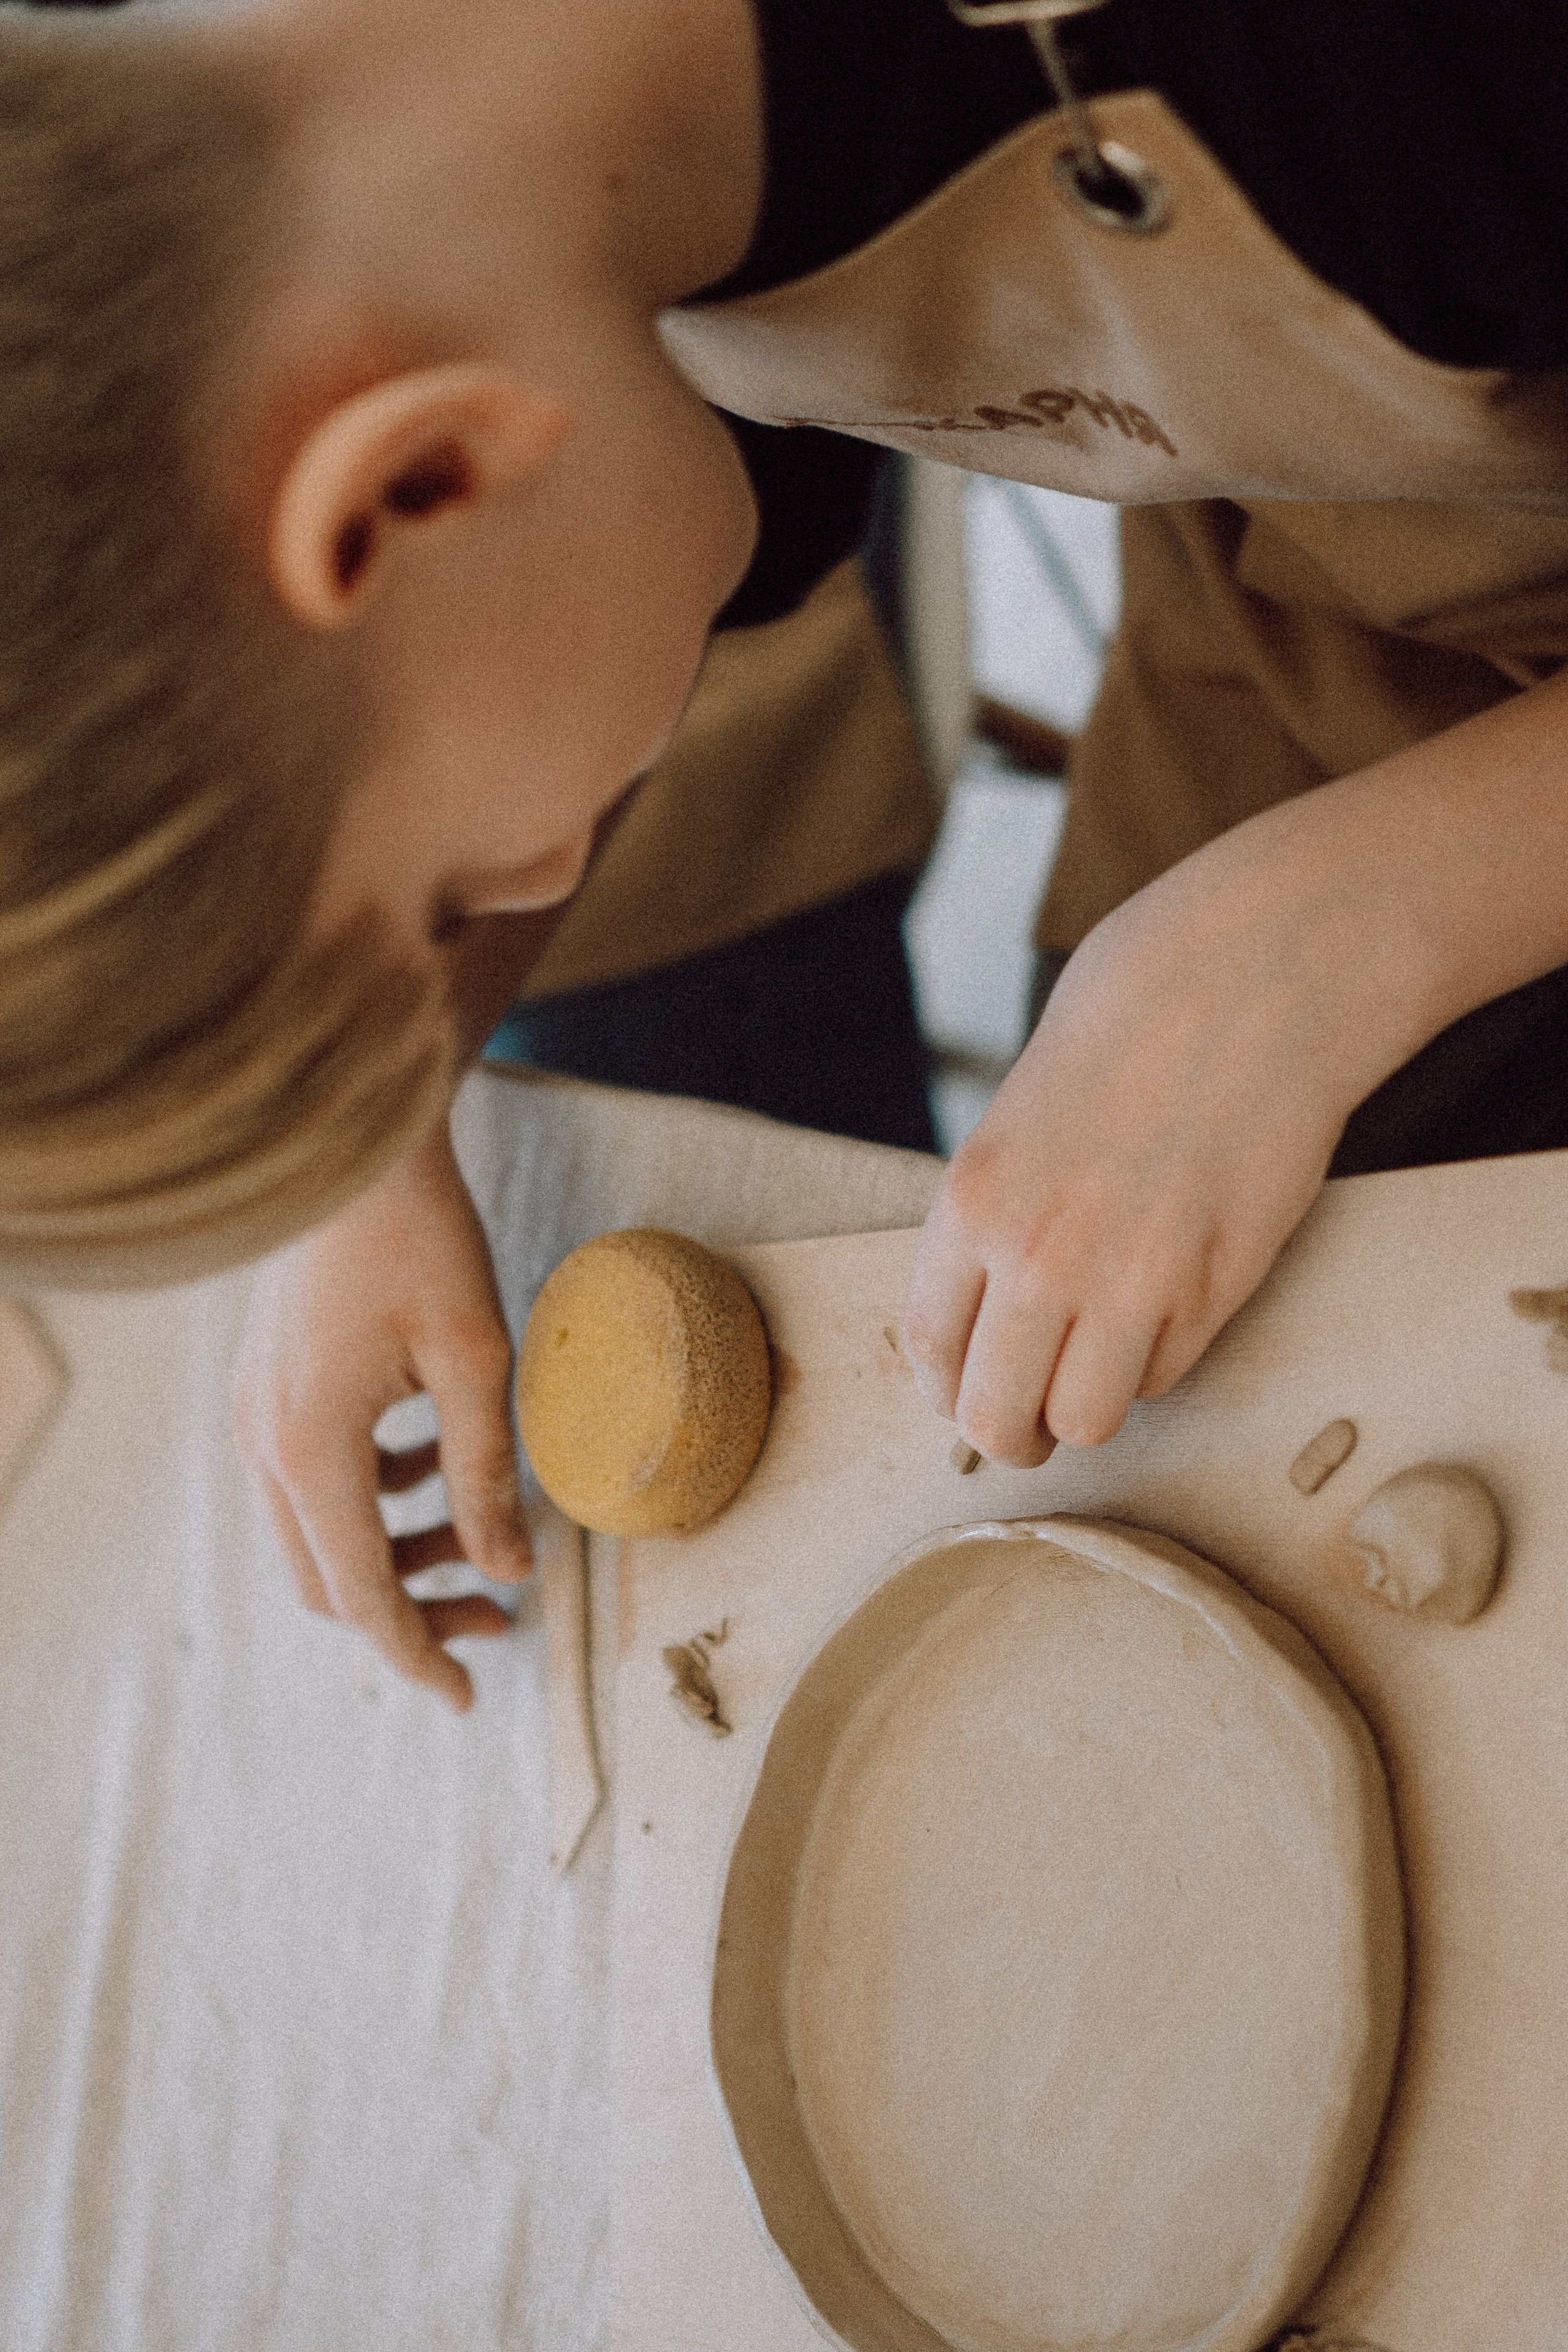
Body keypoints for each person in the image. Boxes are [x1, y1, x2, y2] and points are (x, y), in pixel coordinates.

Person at [4, 0, 1568, 1711]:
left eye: (459, 886)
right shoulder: (457, 169)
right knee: (1179, 1382)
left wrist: (1330, 933)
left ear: (419, 477)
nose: (540, 891)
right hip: (1316, 593)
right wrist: (378, 1127)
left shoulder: (1384, 58)